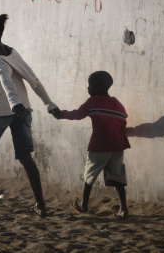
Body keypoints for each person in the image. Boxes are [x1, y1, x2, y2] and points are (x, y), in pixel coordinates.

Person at [0, 12, 59, 217]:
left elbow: (4, 80)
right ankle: (40, 205)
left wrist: (14, 102)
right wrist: (48, 103)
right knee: (25, 156)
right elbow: (33, 80)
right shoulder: (11, 52)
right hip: (23, 110)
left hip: (1, 110)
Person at [52, 71, 130, 218]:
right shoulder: (117, 104)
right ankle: (123, 209)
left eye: (90, 85)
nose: (88, 88)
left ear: (98, 87)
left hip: (99, 145)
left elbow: (77, 114)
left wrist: (60, 114)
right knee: (118, 177)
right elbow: (123, 122)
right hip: (118, 145)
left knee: (89, 175)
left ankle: (84, 205)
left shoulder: (92, 102)